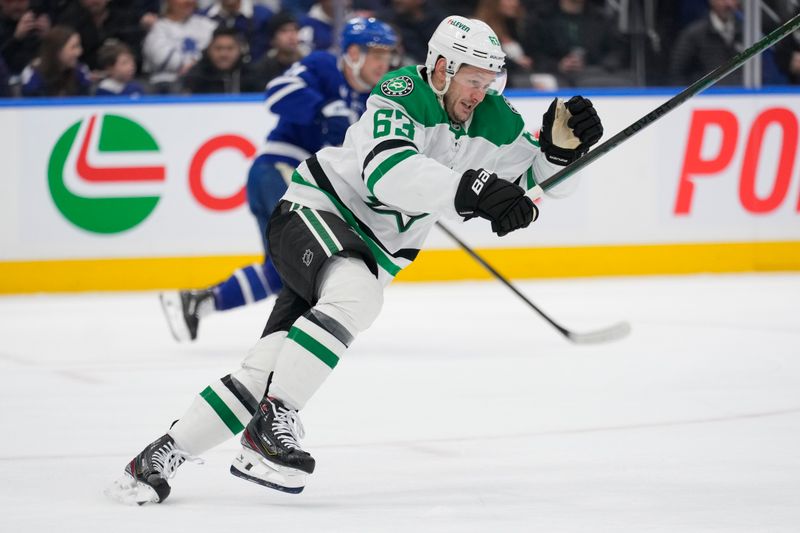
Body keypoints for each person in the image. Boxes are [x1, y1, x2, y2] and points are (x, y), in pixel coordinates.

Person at [108, 15, 602, 504]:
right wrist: (470, 190)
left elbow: (538, 182)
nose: (480, 92)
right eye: (473, 80)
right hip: (315, 212)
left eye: (489, 81)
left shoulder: (494, 118)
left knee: (265, 370)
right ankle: (272, 427)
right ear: (443, 68)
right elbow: (388, 171)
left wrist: (561, 155)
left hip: (365, 254)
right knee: (357, 292)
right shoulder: (401, 93)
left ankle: (155, 458)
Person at [159, 17, 397, 342]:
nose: (384, 64)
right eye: (377, 55)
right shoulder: (323, 65)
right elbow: (277, 92)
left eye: (387, 56)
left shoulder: (371, 104)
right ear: (353, 53)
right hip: (279, 172)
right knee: (308, 263)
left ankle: (200, 302)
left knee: (280, 273)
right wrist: (322, 109)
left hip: (296, 183)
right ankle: (300, 335)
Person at [141, 0, 216, 93]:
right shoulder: (158, 26)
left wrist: (195, 67)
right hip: (165, 84)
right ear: (169, 2)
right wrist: (196, 63)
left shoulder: (207, 24)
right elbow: (161, 59)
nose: (189, 2)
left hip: (201, 81)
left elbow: (217, 51)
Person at [670, 0, 742, 86]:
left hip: (742, 95)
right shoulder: (694, 34)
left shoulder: (748, 33)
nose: (728, 3)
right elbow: (677, 73)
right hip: (704, 96)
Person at [182, 26, 262, 93]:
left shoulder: (252, 75)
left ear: (240, 50)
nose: (223, 54)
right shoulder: (196, 76)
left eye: (230, 48)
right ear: (209, 50)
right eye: (218, 48)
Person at [20, 24, 91, 96]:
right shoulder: (32, 73)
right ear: (57, 50)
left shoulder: (81, 71)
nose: (79, 52)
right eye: (73, 47)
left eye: (79, 46)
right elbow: (32, 103)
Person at [0, 0, 51, 78]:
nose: (16, 5)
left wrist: (48, 37)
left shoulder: (37, 17)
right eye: (10, 1)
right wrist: (16, 39)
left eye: (21, 1)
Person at [250, 10, 303, 85]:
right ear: (273, 39)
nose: (291, 36)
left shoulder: (307, 65)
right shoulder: (262, 70)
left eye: (294, 30)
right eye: (284, 31)